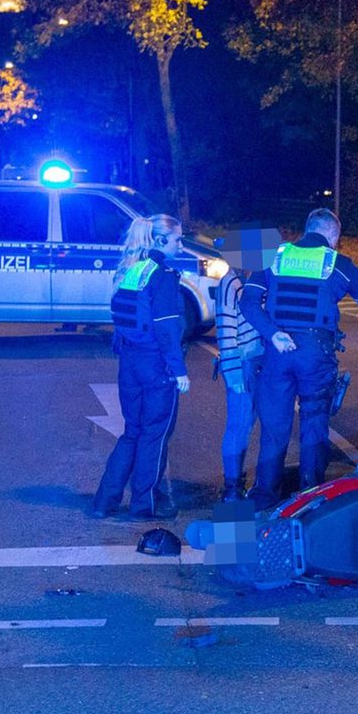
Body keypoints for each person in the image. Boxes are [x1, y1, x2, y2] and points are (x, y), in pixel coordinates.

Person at [240, 208, 358, 503]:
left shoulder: (274, 257)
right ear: (333, 235)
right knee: (314, 425)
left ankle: (264, 497)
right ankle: (310, 497)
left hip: (278, 351)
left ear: (307, 229)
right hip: (315, 354)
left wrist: (273, 333)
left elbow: (248, 302)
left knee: (274, 427)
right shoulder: (338, 263)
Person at [90, 214, 190, 520]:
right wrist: (179, 370)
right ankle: (144, 505)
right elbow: (166, 327)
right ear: (160, 240)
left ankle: (104, 502)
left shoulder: (131, 269)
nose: (181, 245)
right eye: (177, 239)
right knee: (155, 434)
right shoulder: (162, 275)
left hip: (129, 362)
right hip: (155, 364)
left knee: (132, 432)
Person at [214, 225, 281, 502]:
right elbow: (226, 333)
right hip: (241, 364)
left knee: (246, 427)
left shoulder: (246, 281)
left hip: (254, 362)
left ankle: (236, 487)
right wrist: (233, 375)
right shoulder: (230, 284)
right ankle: (232, 491)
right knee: (239, 427)